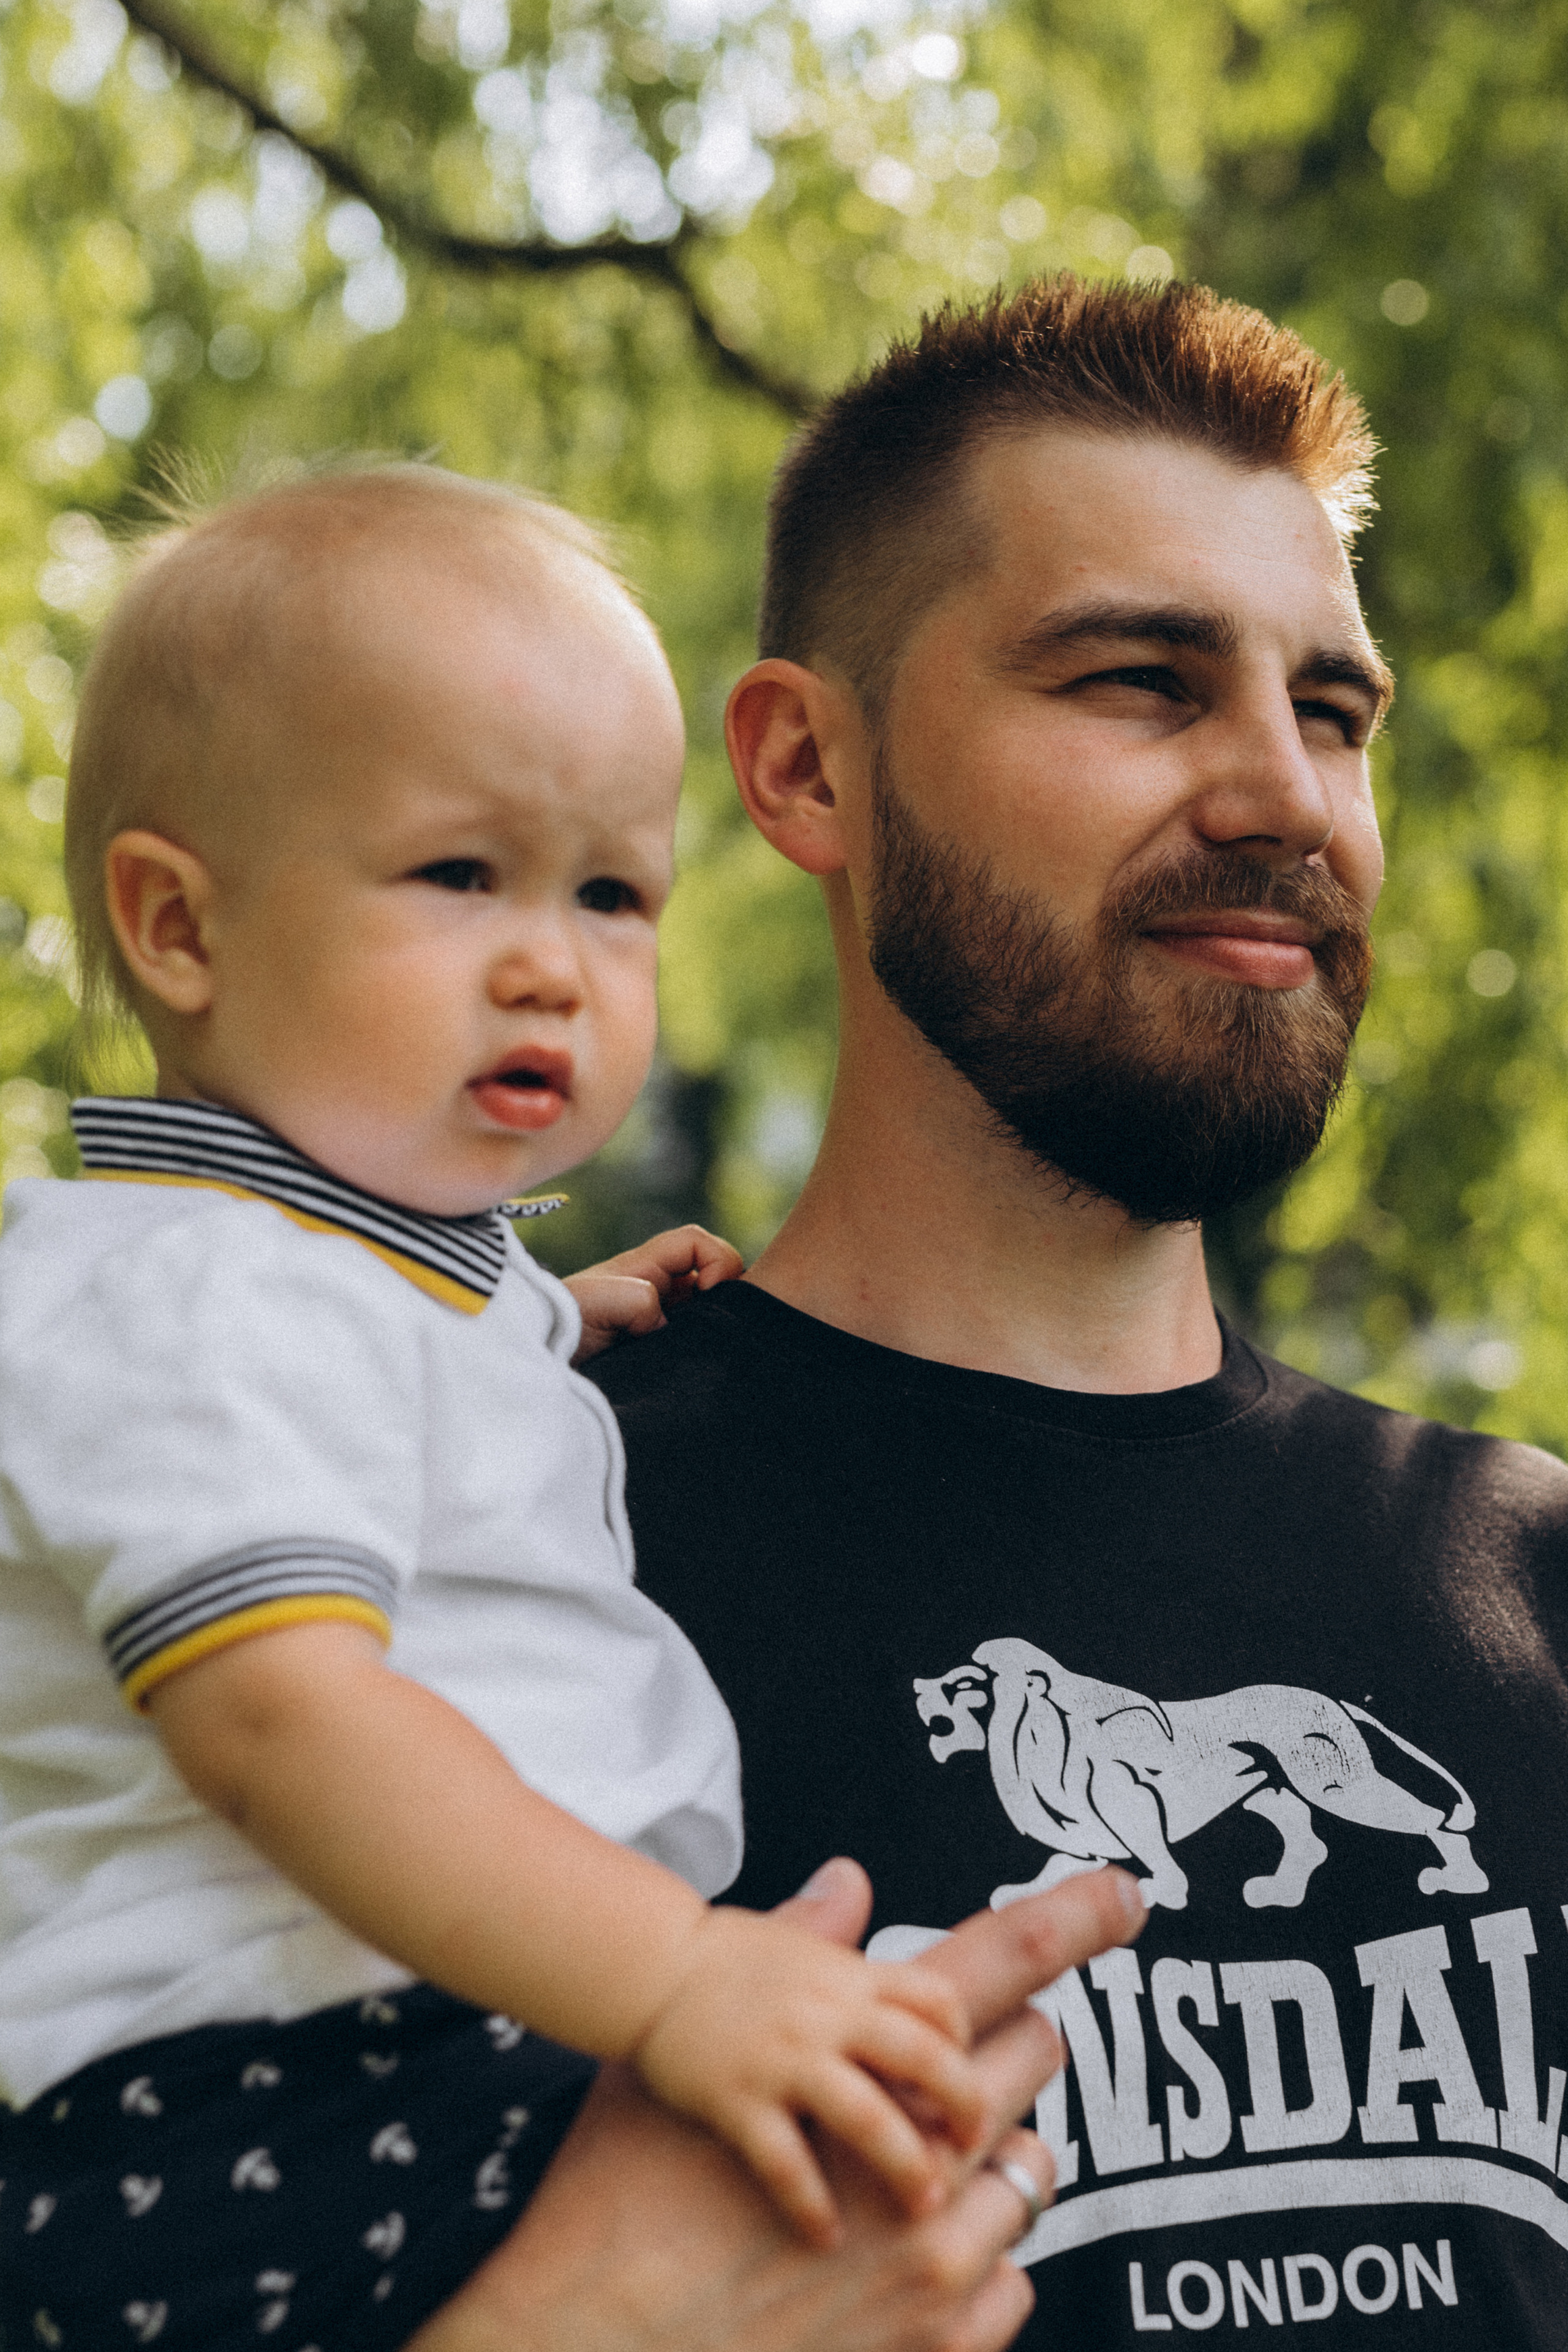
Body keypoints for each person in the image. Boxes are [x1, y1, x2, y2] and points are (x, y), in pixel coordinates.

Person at [0, 462, 1142, 2351]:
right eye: (461, 874)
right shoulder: (185, 1286)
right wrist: (681, 1980)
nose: (555, 959)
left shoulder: (366, 1278)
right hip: (271, 2100)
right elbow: (282, 1718)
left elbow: (392, 1388)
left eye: (613, 892)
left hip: (406, 2056)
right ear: (180, 931)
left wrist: (557, 1312)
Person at [588, 274, 1568, 2346]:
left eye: (1335, 712)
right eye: (1140, 680)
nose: (1287, 797)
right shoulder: (511, 1566)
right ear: (806, 770)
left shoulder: (1532, 1587)